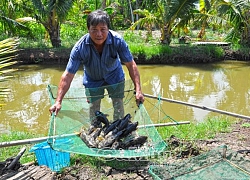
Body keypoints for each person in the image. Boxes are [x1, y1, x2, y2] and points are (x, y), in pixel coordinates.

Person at [49, 9, 144, 125]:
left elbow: (131, 65)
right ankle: (95, 129)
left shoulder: (117, 41)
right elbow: (68, 75)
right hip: (92, 80)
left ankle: (118, 126)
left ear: (108, 29)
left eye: (103, 29)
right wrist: (58, 101)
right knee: (94, 108)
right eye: (94, 30)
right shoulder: (80, 48)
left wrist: (138, 90)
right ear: (88, 29)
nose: (99, 34)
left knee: (118, 104)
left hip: (115, 77)